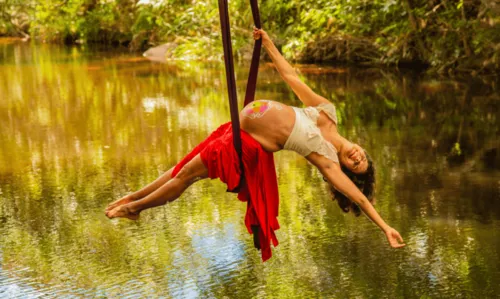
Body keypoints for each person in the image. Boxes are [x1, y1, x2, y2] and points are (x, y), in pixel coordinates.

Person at [105, 28, 406, 258]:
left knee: (187, 176)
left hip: (245, 146)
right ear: (362, 147)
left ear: (344, 168)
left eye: (354, 164)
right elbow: (291, 77)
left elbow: (361, 199)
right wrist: (269, 44)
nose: (356, 156)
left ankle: (137, 208)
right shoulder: (328, 111)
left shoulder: (326, 160)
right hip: (235, 130)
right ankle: (134, 196)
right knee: (182, 167)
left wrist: (385, 228)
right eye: (362, 156)